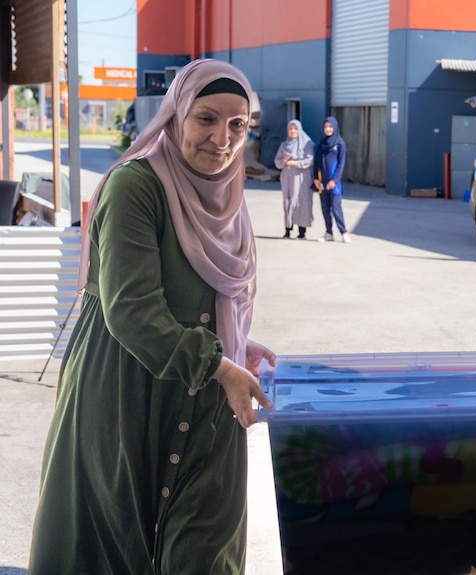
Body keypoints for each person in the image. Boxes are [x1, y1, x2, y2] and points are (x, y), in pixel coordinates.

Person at [28, 59, 276, 574]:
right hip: (124, 393)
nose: (222, 139)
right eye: (206, 119)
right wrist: (219, 363)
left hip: (208, 392)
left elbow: (216, 297)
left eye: (238, 124)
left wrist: (235, 344)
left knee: (204, 550)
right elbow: (131, 309)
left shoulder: (229, 197)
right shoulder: (134, 187)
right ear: (176, 114)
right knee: (113, 543)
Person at [312, 116, 351, 242]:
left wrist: (334, 180)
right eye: (325, 127)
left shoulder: (340, 144)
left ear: (334, 127)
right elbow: (316, 163)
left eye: (330, 127)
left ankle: (343, 232)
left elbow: (341, 164)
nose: (328, 129)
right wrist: (315, 179)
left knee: (336, 207)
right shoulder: (321, 144)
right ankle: (329, 233)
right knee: (325, 208)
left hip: (334, 184)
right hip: (322, 183)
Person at [275, 119, 315, 239]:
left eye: (295, 129)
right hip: (287, 177)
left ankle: (302, 232)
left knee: (302, 202)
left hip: (302, 177)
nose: (293, 131)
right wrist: (284, 161)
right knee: (288, 202)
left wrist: (295, 163)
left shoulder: (306, 143)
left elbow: (310, 160)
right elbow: (277, 162)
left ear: (299, 130)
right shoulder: (284, 145)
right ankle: (287, 230)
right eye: (290, 129)